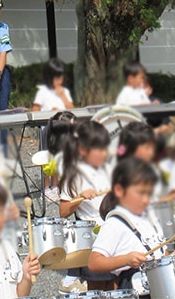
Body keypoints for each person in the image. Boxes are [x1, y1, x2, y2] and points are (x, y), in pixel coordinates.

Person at [88, 157, 165, 294]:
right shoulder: (114, 224)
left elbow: (161, 250)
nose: (146, 199)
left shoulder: (151, 219)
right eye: (141, 192)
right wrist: (126, 259)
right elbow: (94, 263)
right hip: (135, 288)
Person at [59, 120, 113, 292]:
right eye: (99, 149)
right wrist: (80, 197)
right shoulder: (74, 175)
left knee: (117, 286)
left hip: (114, 229)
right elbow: (63, 211)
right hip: (93, 238)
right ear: (82, 149)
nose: (104, 153)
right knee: (97, 288)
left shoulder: (110, 169)